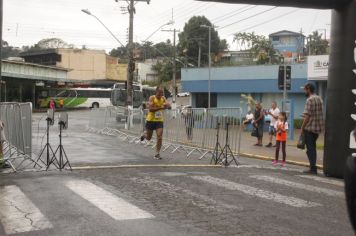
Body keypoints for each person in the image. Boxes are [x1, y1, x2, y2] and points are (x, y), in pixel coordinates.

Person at [140, 86, 171, 159]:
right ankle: (144, 135)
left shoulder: (163, 98)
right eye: (160, 92)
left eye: (162, 92)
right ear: (156, 92)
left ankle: (157, 153)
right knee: (148, 138)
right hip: (150, 120)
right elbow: (150, 109)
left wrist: (168, 105)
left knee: (159, 136)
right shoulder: (152, 98)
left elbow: (168, 105)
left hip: (159, 120)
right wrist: (161, 107)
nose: (161, 94)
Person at [301, 83, 324, 174]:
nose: (304, 91)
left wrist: (302, 128)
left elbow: (307, 116)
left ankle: (313, 168)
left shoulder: (309, 100)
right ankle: (313, 167)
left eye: (305, 89)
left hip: (309, 128)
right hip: (317, 128)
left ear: (309, 89)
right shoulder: (319, 98)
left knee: (310, 149)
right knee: (313, 147)